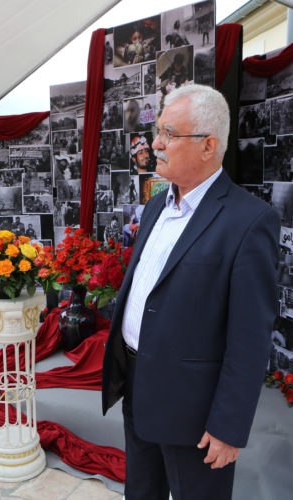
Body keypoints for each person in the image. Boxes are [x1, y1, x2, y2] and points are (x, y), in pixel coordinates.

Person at [102, 85, 280, 500]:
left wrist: (228, 426)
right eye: (157, 131)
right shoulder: (154, 208)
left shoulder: (249, 222)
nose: (155, 144)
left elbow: (250, 339)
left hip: (196, 415)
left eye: (168, 133)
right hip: (139, 389)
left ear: (208, 146)